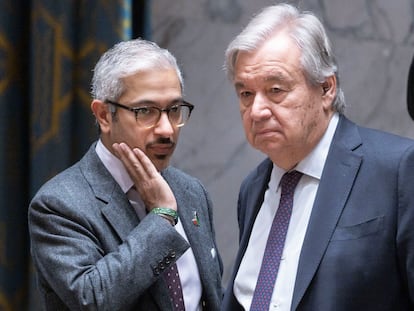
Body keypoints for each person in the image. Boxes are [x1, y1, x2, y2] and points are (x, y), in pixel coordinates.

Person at [221, 3, 414, 311]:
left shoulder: (397, 170)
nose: (256, 110)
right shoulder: (253, 188)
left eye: (275, 89)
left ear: (326, 88)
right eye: (245, 94)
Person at [28, 38, 223, 310]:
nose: (167, 129)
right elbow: (92, 299)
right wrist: (162, 217)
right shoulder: (59, 204)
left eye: (174, 109)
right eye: (146, 112)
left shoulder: (191, 191)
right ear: (105, 115)